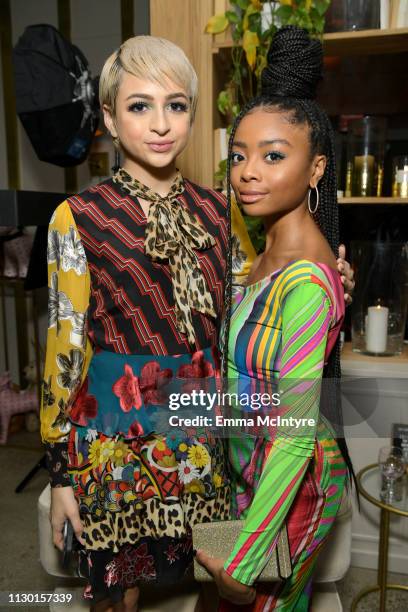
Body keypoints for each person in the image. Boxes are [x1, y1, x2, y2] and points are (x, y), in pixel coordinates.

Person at [41, 34, 354, 612]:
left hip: (209, 444)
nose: (160, 124)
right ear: (109, 117)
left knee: (228, 585)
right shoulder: (78, 217)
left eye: (176, 105)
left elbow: (254, 292)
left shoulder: (221, 207)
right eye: (139, 106)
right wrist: (62, 475)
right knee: (120, 595)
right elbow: (64, 352)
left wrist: (330, 274)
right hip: (117, 442)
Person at [196, 26, 354, 611]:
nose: (247, 172)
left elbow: (293, 434)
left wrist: (246, 558)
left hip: (294, 485)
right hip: (249, 471)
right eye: (238, 155)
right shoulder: (261, 256)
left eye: (272, 155)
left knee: (261, 604)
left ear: (315, 170)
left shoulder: (308, 281)